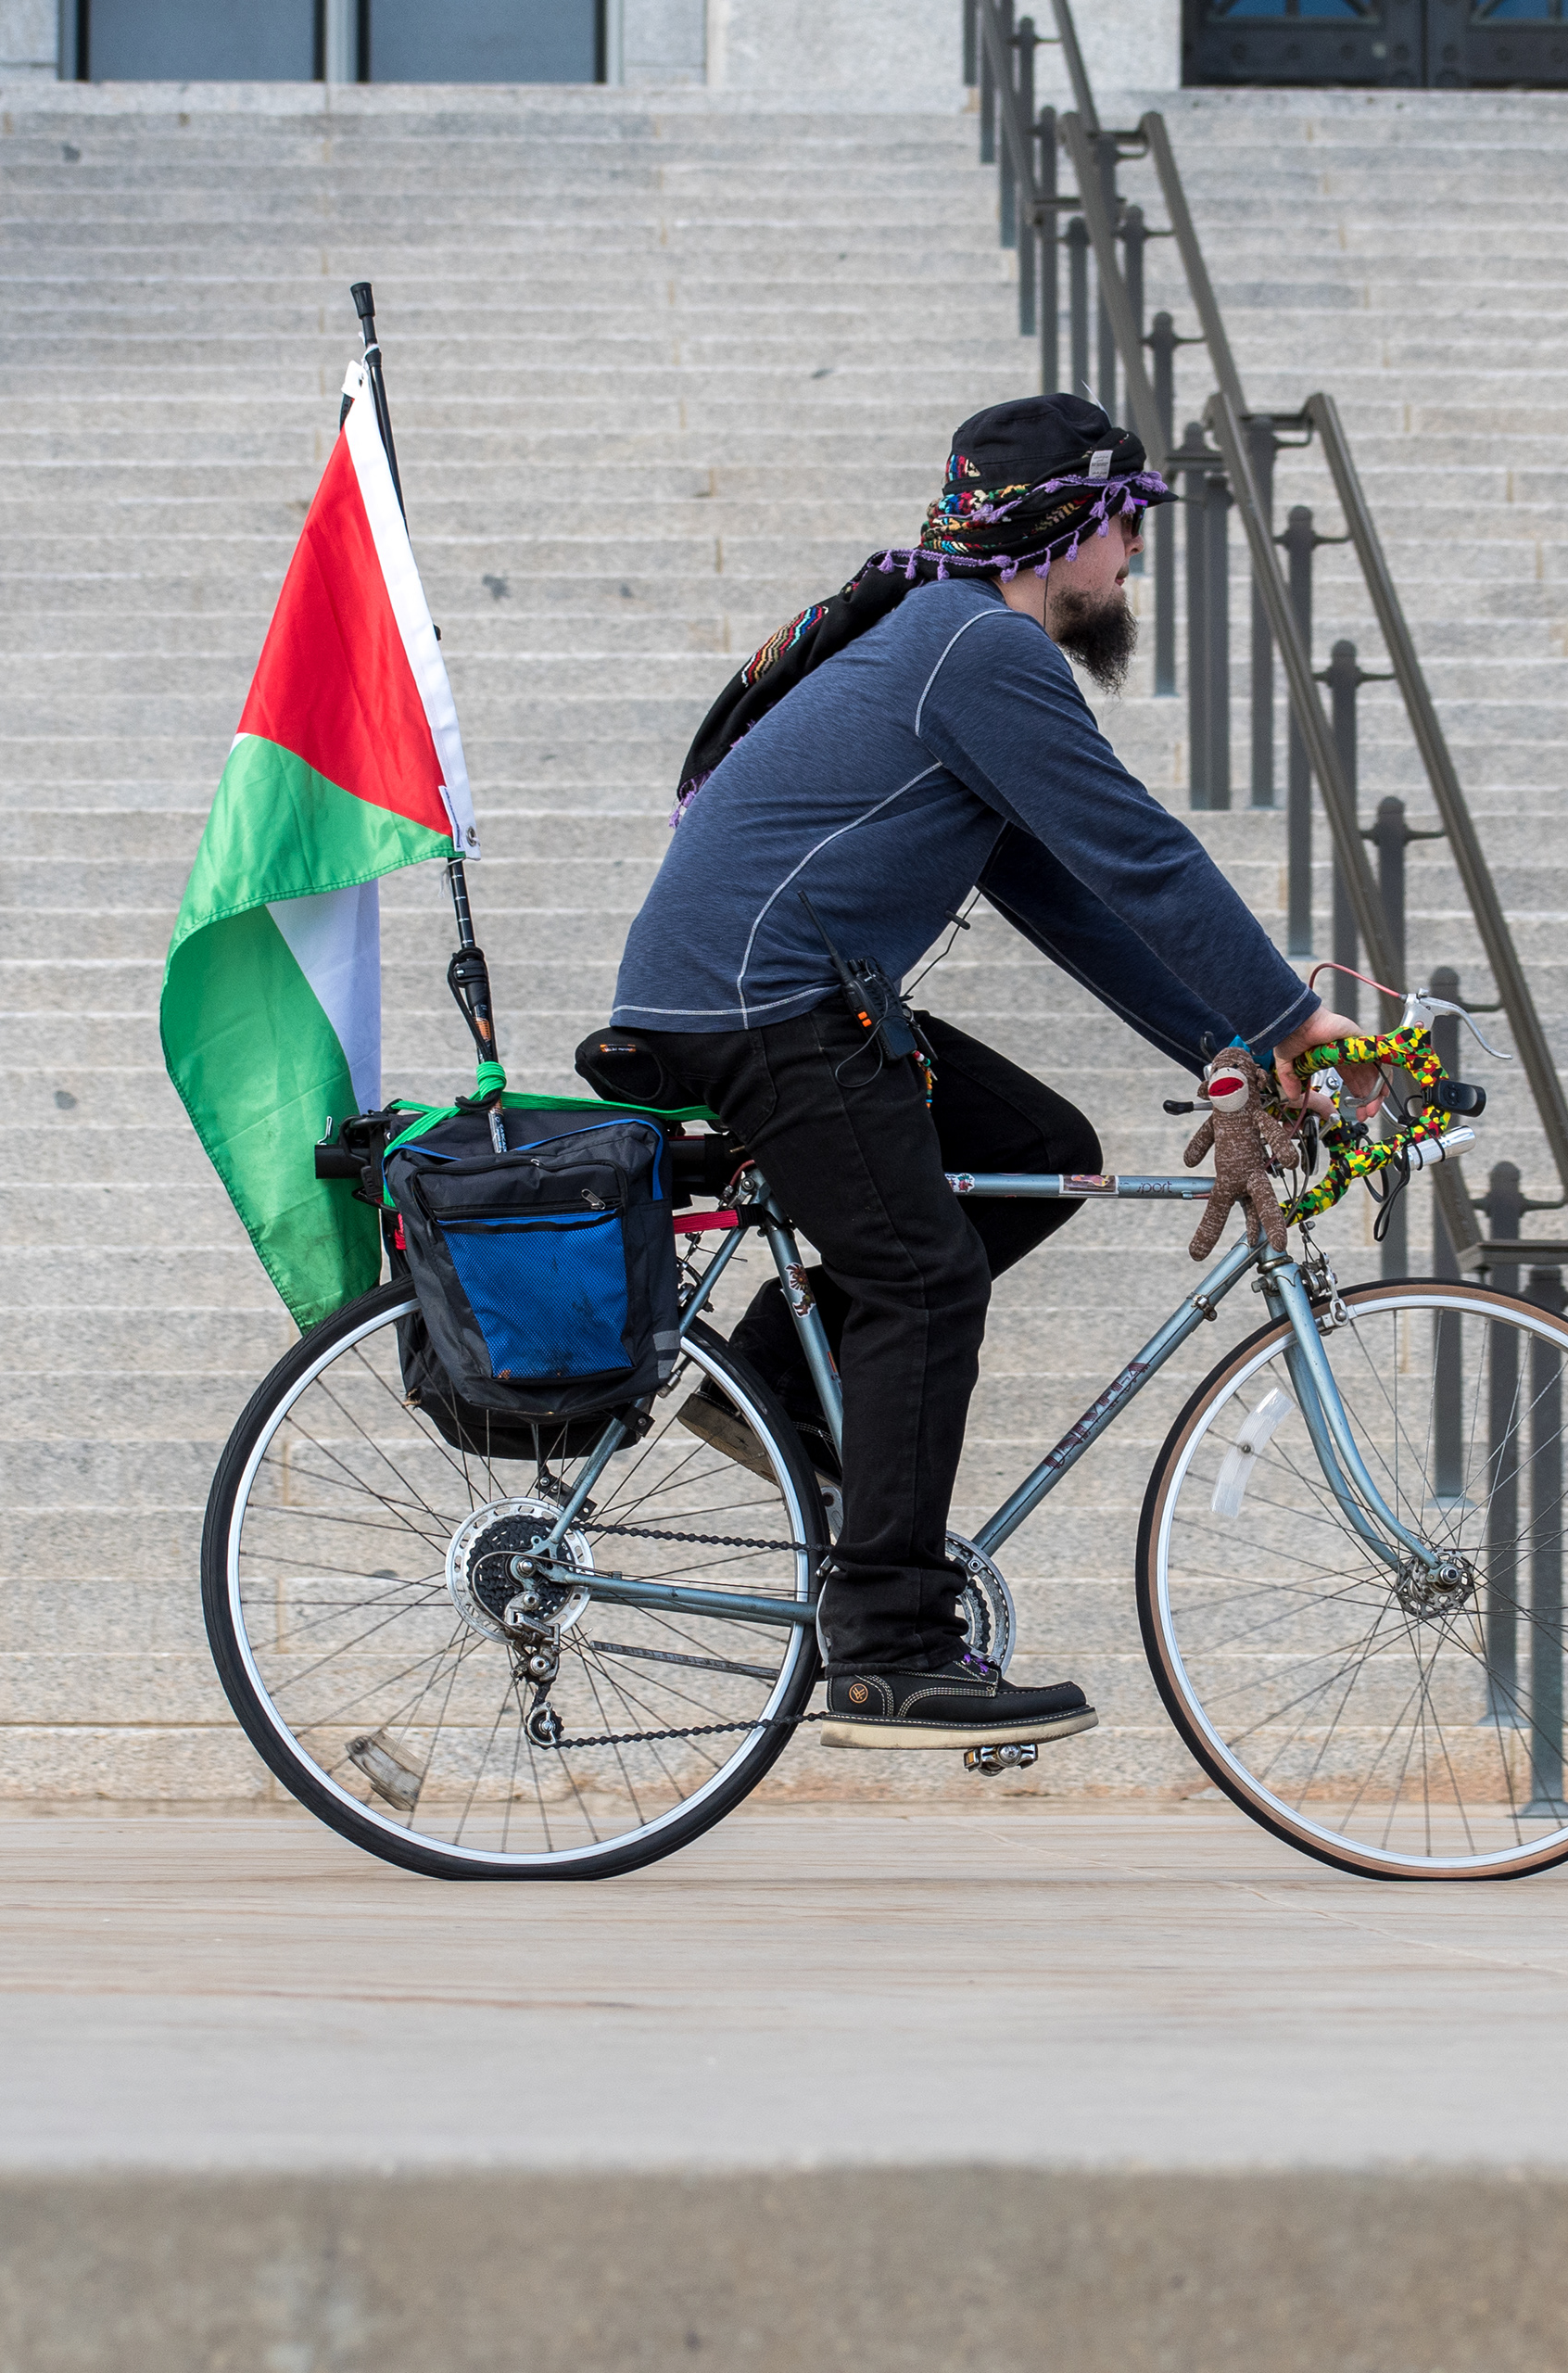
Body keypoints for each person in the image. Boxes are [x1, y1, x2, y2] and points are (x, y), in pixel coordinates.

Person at [597, 393, 1364, 1752]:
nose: (1134, 562)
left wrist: (1227, 1045)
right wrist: (1301, 1024)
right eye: (1128, 530)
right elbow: (1146, 856)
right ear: (1071, 526)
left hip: (775, 993)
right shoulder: (979, 652)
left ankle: (772, 1388)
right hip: (764, 1005)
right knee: (924, 1275)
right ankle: (890, 1648)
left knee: (1040, 1145)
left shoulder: (945, 643)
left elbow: (1068, 893)